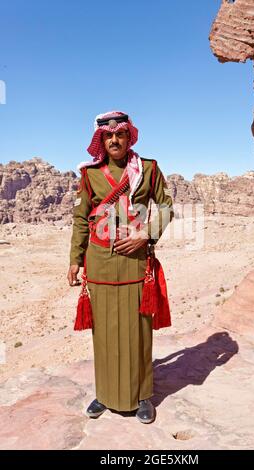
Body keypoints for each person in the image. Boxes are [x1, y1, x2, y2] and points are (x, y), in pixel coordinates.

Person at [67, 110, 174, 424]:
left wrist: (145, 234)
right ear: (101, 139)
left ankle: (142, 396)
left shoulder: (149, 170)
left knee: (137, 332)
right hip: (99, 266)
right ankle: (104, 394)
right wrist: (75, 259)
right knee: (105, 334)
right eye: (108, 136)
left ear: (129, 136)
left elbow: (167, 207)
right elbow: (80, 220)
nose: (114, 140)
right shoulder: (90, 175)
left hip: (135, 265)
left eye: (120, 134)